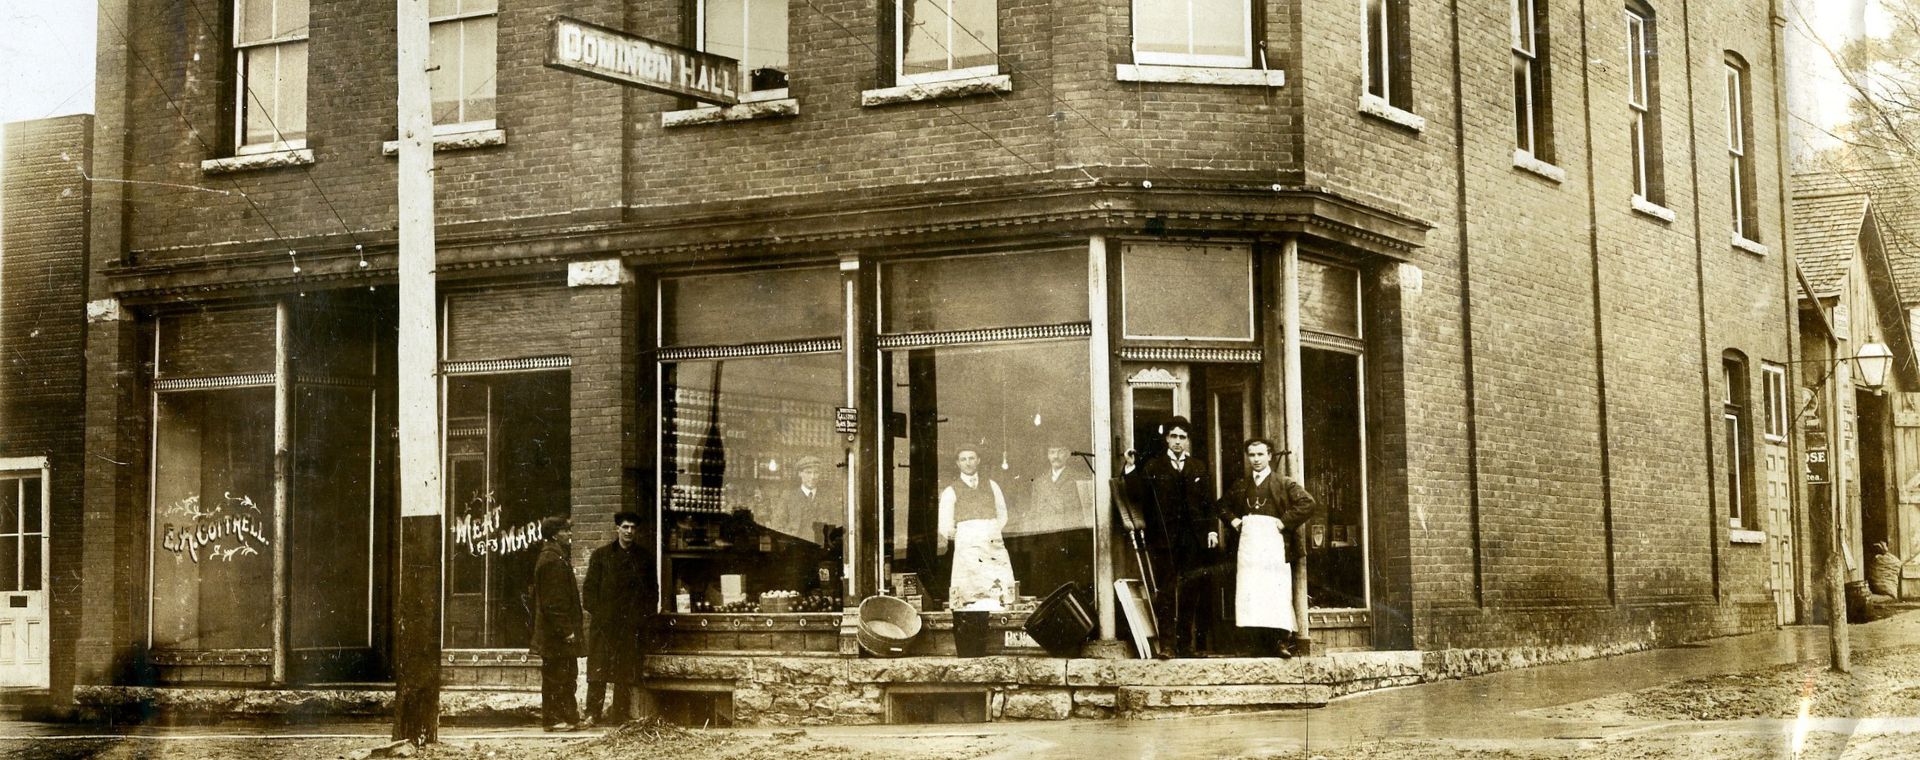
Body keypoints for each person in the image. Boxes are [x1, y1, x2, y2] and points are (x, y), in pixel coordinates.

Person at [1123, 416, 1215, 657]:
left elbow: (1208, 502)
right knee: (1165, 591)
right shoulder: (1154, 466)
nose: (1177, 442)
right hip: (1164, 540)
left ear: (1187, 441)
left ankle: (1186, 645)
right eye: (1173, 436)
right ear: (1166, 439)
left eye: (1182, 437)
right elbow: (1135, 495)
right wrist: (1131, 466)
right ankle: (1168, 646)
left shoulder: (1198, 467)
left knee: (1190, 591)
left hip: (1193, 540)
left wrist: (1212, 529)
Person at [1218, 438, 1319, 658]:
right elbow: (1222, 506)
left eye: (1260, 454)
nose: (1255, 459)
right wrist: (1234, 521)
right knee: (1251, 591)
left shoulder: (1283, 483)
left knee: (1275, 590)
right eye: (1252, 455)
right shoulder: (1241, 485)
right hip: (1249, 547)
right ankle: (1253, 643)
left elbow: (1308, 503)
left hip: (1274, 544)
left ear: (1269, 456)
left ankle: (1279, 642)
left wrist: (1284, 521)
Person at [583, 511, 648, 726]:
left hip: (629, 625)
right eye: (625, 527)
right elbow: (589, 592)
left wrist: (642, 616)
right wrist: (600, 614)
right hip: (604, 624)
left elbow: (652, 590)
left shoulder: (643, 558)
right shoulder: (601, 556)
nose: (629, 531)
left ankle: (620, 715)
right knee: (598, 670)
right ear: (617, 529)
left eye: (633, 528)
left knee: (624, 671)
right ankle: (592, 713)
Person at [938, 447, 1016, 609]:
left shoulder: (992, 485)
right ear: (958, 463)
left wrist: (989, 530)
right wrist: (967, 533)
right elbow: (945, 525)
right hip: (968, 546)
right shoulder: (951, 491)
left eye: (971, 458)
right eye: (964, 459)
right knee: (970, 592)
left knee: (998, 589)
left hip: (991, 544)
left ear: (978, 460)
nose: (968, 463)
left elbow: (1002, 515)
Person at [529, 515, 584, 731]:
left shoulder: (555, 556)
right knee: (559, 677)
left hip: (556, 634)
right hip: (556, 635)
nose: (569, 534)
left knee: (564, 675)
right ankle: (555, 719)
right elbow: (553, 602)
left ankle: (567, 718)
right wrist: (566, 631)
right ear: (554, 534)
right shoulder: (552, 560)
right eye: (565, 531)